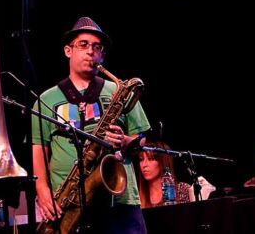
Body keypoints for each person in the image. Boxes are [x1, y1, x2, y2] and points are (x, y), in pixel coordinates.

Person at [32, 16, 149, 234]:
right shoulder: (45, 100)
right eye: (83, 45)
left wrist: (124, 141)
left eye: (97, 47)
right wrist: (41, 188)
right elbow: (40, 150)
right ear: (68, 51)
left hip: (119, 201)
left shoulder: (118, 90)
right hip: (69, 205)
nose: (90, 51)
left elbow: (141, 139)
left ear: (102, 55)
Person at [135, 140, 214, 207]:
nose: (144, 165)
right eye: (141, 159)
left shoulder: (183, 190)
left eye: (151, 159)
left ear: (163, 162)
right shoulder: (136, 198)